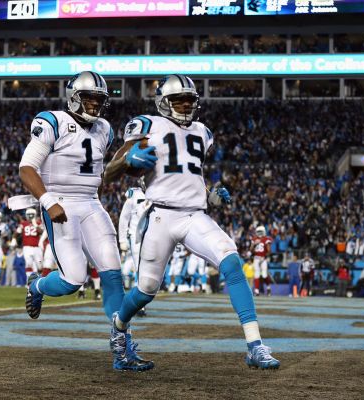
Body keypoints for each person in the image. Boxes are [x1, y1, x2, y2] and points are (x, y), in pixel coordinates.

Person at [104, 74, 280, 370]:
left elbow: (188, 174)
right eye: (178, 100)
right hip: (160, 215)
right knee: (146, 289)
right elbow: (109, 171)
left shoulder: (202, 131)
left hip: (194, 215)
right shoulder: (147, 125)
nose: (185, 105)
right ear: (163, 102)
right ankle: (119, 327)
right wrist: (127, 160)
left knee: (231, 261)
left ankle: (255, 346)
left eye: (190, 100)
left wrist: (209, 196)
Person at [19, 71, 152, 371]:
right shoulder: (52, 122)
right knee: (73, 280)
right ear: (73, 98)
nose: (94, 105)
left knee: (113, 273)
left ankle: (122, 349)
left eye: (98, 100)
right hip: (59, 202)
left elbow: (100, 172)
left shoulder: (104, 128)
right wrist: (48, 200)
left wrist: (128, 156)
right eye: (88, 98)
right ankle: (37, 287)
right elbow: (27, 168)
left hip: (91, 203)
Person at [118, 186, 146, 290]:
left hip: (152, 235)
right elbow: (124, 217)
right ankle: (138, 291)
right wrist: (122, 239)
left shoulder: (158, 191)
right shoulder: (134, 193)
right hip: (136, 235)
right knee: (139, 265)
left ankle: (143, 291)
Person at [15, 208, 44, 278]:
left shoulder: (39, 223)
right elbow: (17, 233)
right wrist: (14, 239)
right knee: (28, 264)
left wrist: (35, 224)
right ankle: (29, 282)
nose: (30, 216)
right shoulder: (23, 224)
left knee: (40, 266)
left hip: (37, 248)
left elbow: (42, 232)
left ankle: (39, 279)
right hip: (27, 247)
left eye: (32, 215)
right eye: (29, 215)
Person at [251, 225, 273, 296]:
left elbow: (269, 250)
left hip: (263, 258)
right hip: (256, 258)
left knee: (264, 275)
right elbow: (251, 250)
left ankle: (268, 288)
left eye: (261, 232)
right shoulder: (254, 239)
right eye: (258, 232)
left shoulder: (266, 239)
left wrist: (265, 256)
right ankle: (256, 291)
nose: (260, 233)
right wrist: (254, 244)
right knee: (256, 274)